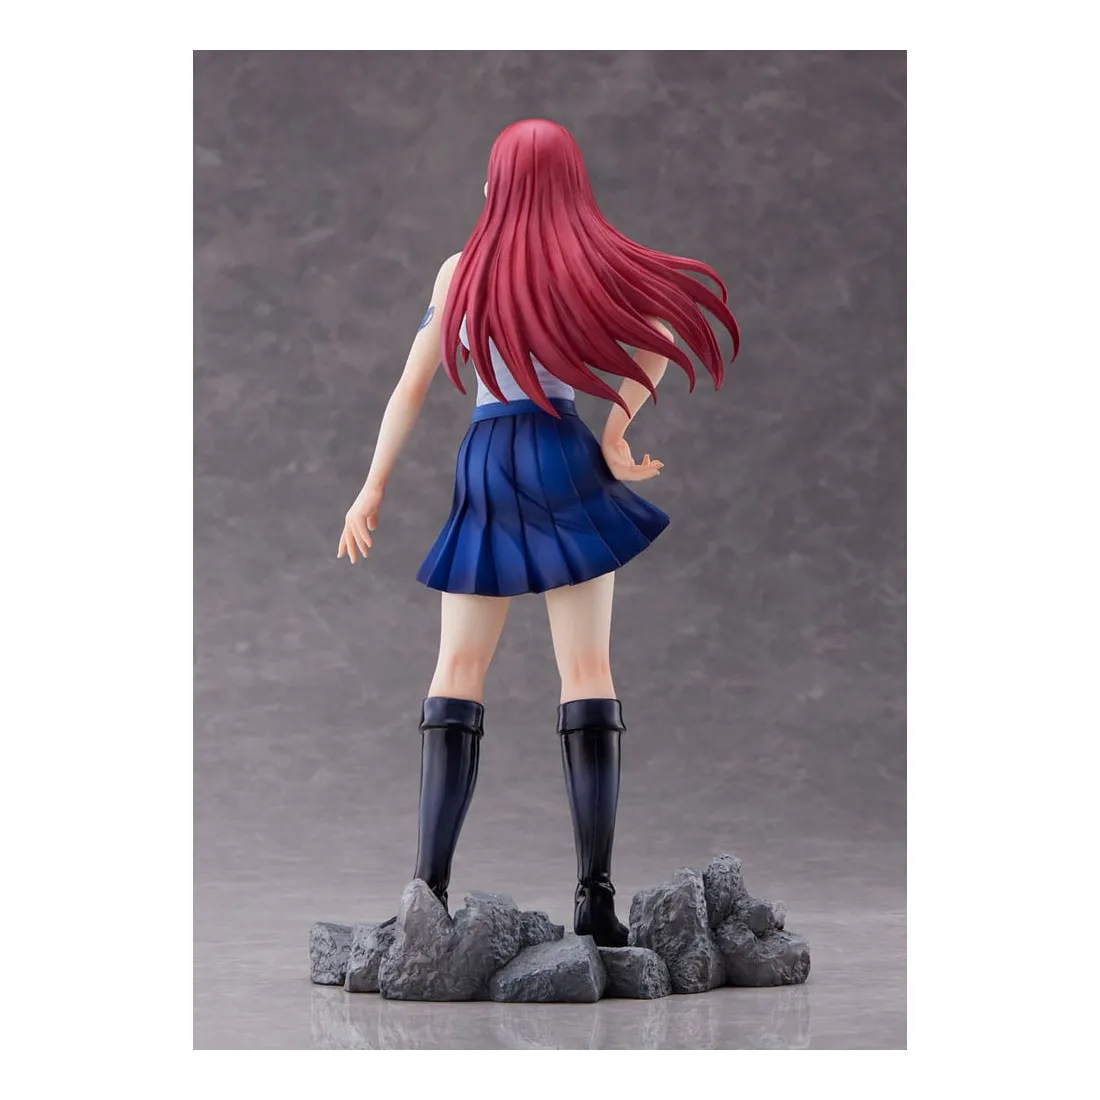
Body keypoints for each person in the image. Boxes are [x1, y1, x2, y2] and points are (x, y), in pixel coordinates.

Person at [338, 118, 739, 947]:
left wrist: (371, 487)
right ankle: (595, 899)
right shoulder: (586, 265)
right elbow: (663, 331)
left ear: (497, 183)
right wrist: (616, 432)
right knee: (587, 668)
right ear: (569, 183)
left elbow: (410, 387)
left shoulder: (459, 270)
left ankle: (427, 893)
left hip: (488, 461)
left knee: (457, 668)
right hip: (563, 456)